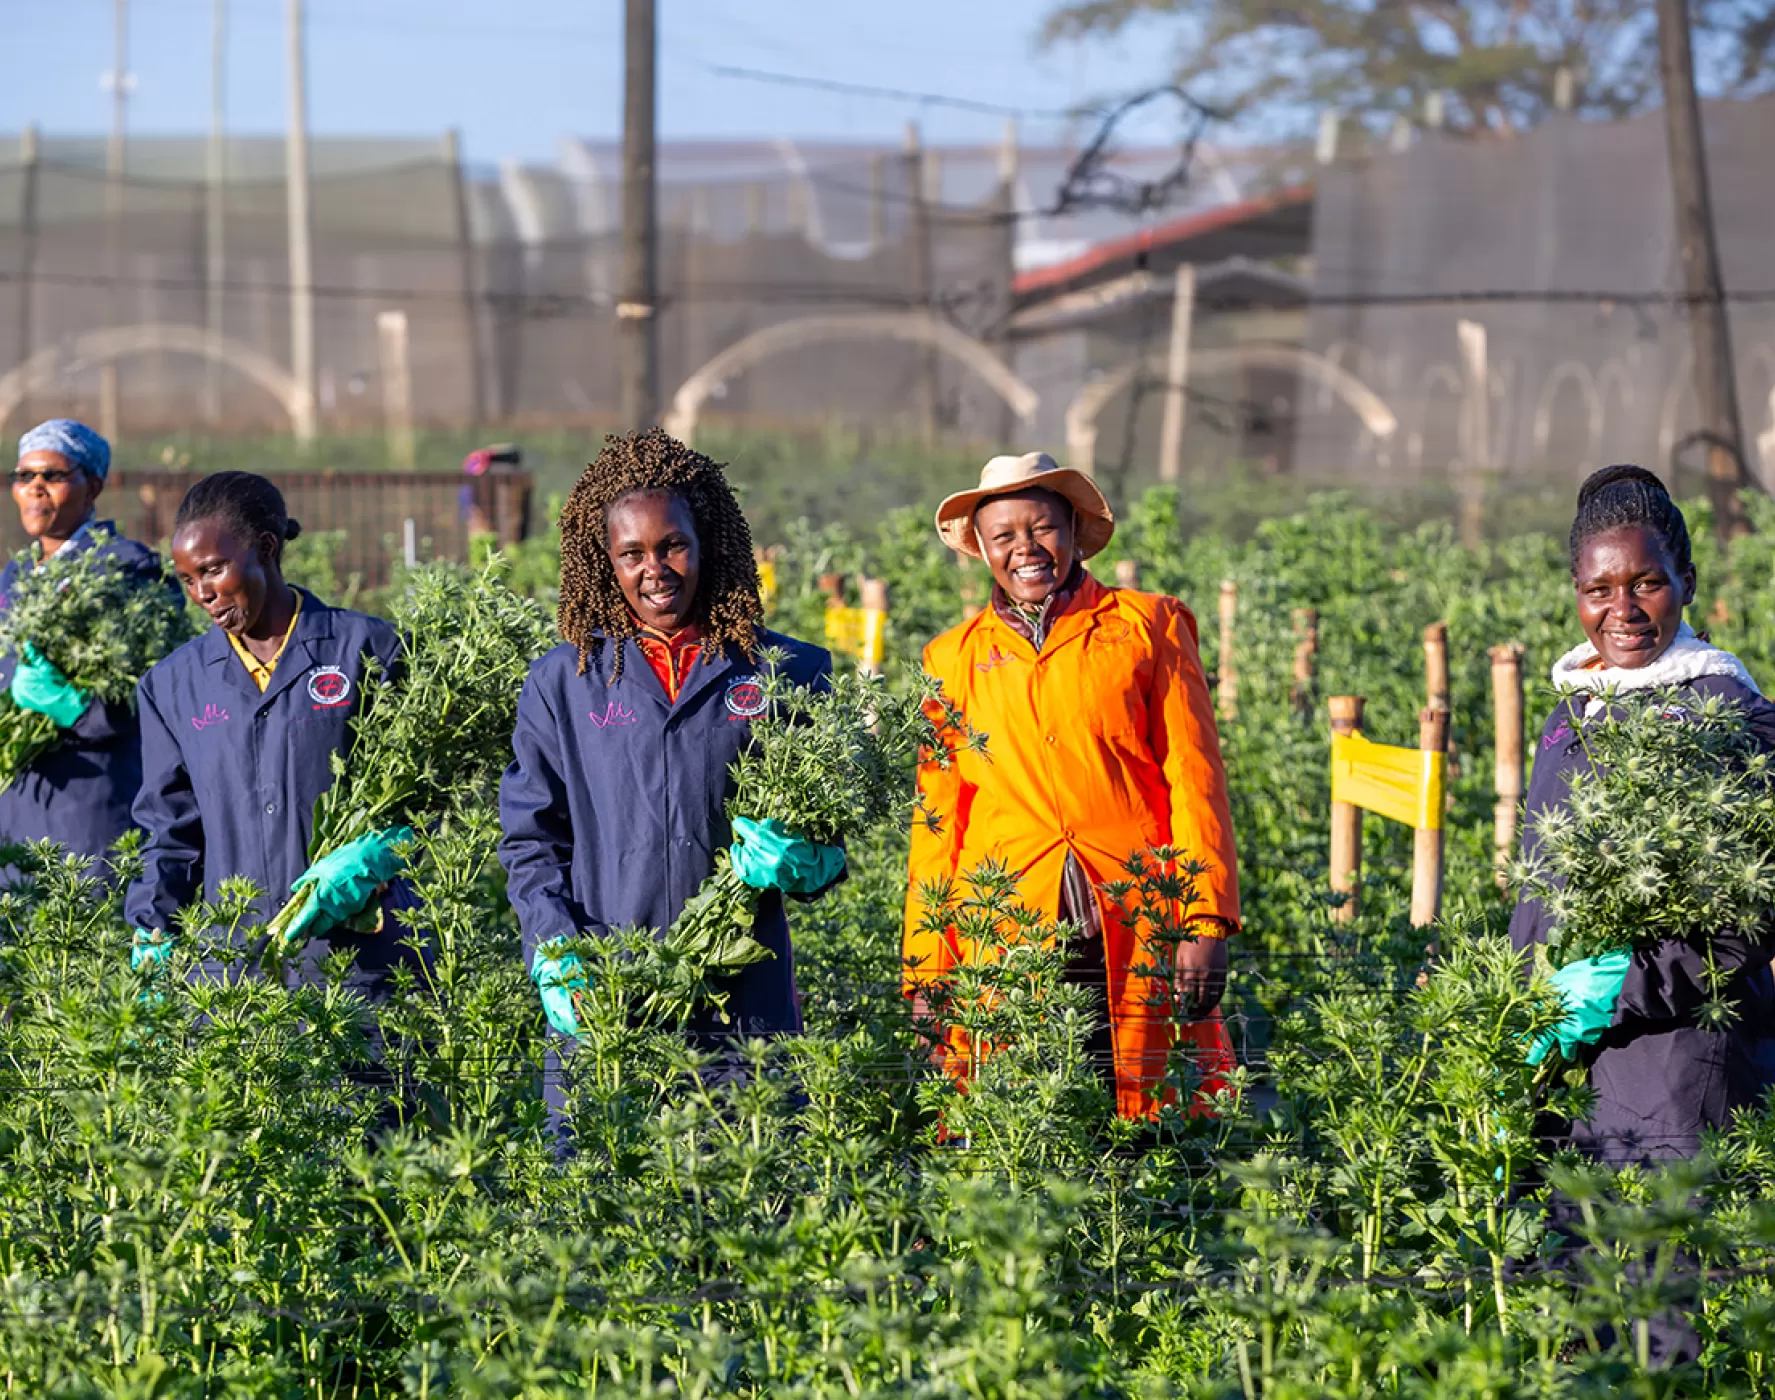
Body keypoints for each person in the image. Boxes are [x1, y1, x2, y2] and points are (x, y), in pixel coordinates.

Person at [498, 430, 840, 1131]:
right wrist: (554, 946)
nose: (655, 569)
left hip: (743, 994)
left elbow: (827, 830)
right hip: (607, 993)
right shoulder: (564, 681)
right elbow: (529, 837)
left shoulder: (785, 672)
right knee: (602, 1204)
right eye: (631, 554)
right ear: (607, 563)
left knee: (750, 1200)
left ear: (707, 540)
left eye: (672, 545)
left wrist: (809, 859)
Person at [1512, 464, 1775, 1366]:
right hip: (1566, 1070)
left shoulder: (1724, 713)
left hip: (1673, 1067)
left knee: (1667, 1320)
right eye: (1598, 588)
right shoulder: (1573, 708)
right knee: (1578, 1318)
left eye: (1645, 582)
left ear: (1686, 584)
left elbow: (1751, 907)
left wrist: (1617, 983)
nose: (1621, 608)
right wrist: (1524, 994)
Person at [902, 452, 1241, 1121]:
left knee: (1150, 1100)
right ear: (982, 550)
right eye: (1003, 536)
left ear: (1073, 532)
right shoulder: (952, 657)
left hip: (1137, 900)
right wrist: (924, 966)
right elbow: (937, 820)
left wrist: (1205, 918)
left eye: (1041, 529)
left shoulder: (1148, 625)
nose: (1025, 549)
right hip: (1002, 914)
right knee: (1015, 1109)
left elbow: (1194, 776)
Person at [125, 471, 418, 995]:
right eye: (188, 579)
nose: (202, 593)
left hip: (357, 967)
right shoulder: (172, 685)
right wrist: (152, 925)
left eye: (213, 570)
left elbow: (427, 793)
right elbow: (169, 831)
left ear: (265, 548)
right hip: (234, 976)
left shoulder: (367, 650)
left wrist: (379, 854)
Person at [0, 419, 169, 864]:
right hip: (19, 795)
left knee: (81, 916)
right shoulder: (17, 574)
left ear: (92, 486)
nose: (35, 488)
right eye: (24, 476)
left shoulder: (127, 570)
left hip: (89, 796)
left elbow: (152, 688)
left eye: (53, 475)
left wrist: (77, 709)